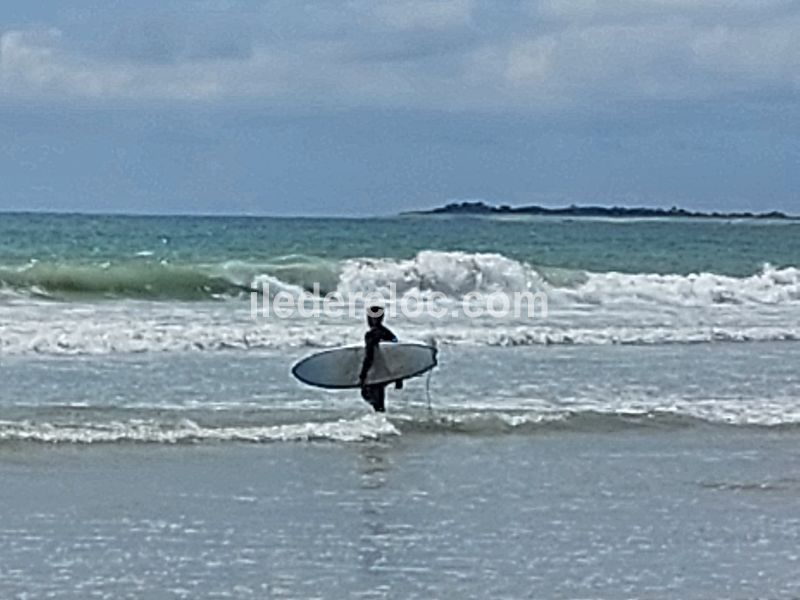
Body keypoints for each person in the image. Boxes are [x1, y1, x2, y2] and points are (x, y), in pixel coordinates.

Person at [359, 306, 402, 412]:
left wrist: (363, 374)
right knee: (380, 401)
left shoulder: (370, 335)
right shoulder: (389, 334)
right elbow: (395, 354)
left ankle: (380, 424)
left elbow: (369, 356)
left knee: (369, 397)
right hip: (385, 371)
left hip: (374, 372)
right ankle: (381, 423)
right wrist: (399, 377)